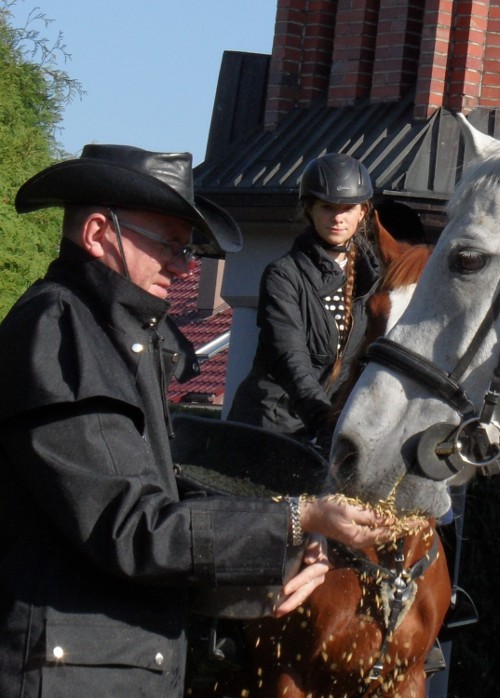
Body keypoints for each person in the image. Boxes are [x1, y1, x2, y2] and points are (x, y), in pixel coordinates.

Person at [0, 145, 403, 698]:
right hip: (71, 674)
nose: (186, 265)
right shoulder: (63, 331)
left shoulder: (119, 335)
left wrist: (281, 547)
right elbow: (133, 529)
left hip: (117, 663)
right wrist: (294, 515)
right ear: (97, 233)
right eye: (169, 242)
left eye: (189, 248)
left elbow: (166, 498)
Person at [227, 153, 380, 453]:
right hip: (269, 427)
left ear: (362, 213)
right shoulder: (283, 275)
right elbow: (289, 356)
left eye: (347, 208)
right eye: (327, 207)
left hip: (325, 431)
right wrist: (322, 418)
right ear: (309, 209)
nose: (337, 218)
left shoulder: (371, 281)